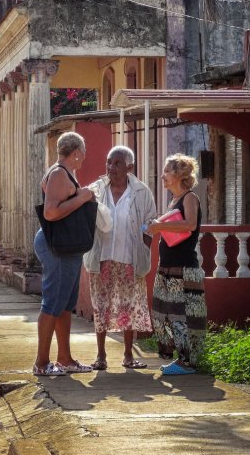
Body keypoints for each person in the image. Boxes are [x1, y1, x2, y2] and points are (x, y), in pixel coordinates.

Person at [83, 146, 156, 370]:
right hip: (102, 257)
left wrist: (143, 248)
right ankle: (101, 356)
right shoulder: (97, 189)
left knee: (128, 307)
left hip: (129, 259)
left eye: (116, 163)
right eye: (109, 162)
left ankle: (128, 356)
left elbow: (149, 224)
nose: (111, 167)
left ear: (129, 167)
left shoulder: (141, 192)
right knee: (101, 306)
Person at [33, 131, 95, 376]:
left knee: (65, 304)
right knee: (52, 303)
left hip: (67, 246)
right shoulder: (59, 173)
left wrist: (82, 195)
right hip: (56, 246)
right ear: (77, 152)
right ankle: (40, 363)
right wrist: (82, 198)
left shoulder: (65, 173)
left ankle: (65, 359)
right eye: (84, 153)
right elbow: (50, 213)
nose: (84, 158)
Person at [145, 153, 206, 375]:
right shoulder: (173, 201)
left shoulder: (190, 198)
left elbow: (189, 225)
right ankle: (178, 358)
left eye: (167, 171)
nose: (162, 175)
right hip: (168, 267)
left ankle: (187, 363)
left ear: (179, 174)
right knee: (163, 313)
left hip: (183, 267)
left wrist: (160, 227)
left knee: (183, 315)